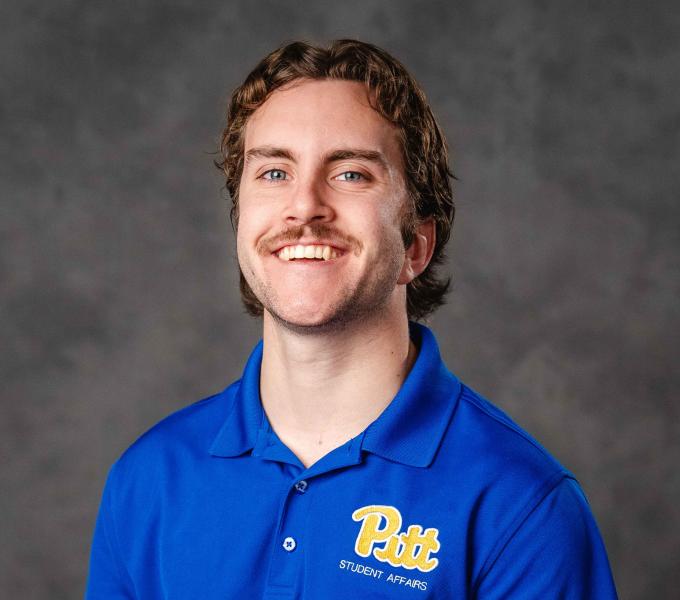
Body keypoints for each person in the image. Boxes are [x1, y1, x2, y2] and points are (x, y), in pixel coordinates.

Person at [85, 40, 618, 599]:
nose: (305, 206)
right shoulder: (148, 479)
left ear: (416, 244)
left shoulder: (521, 506)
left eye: (351, 174)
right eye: (273, 172)